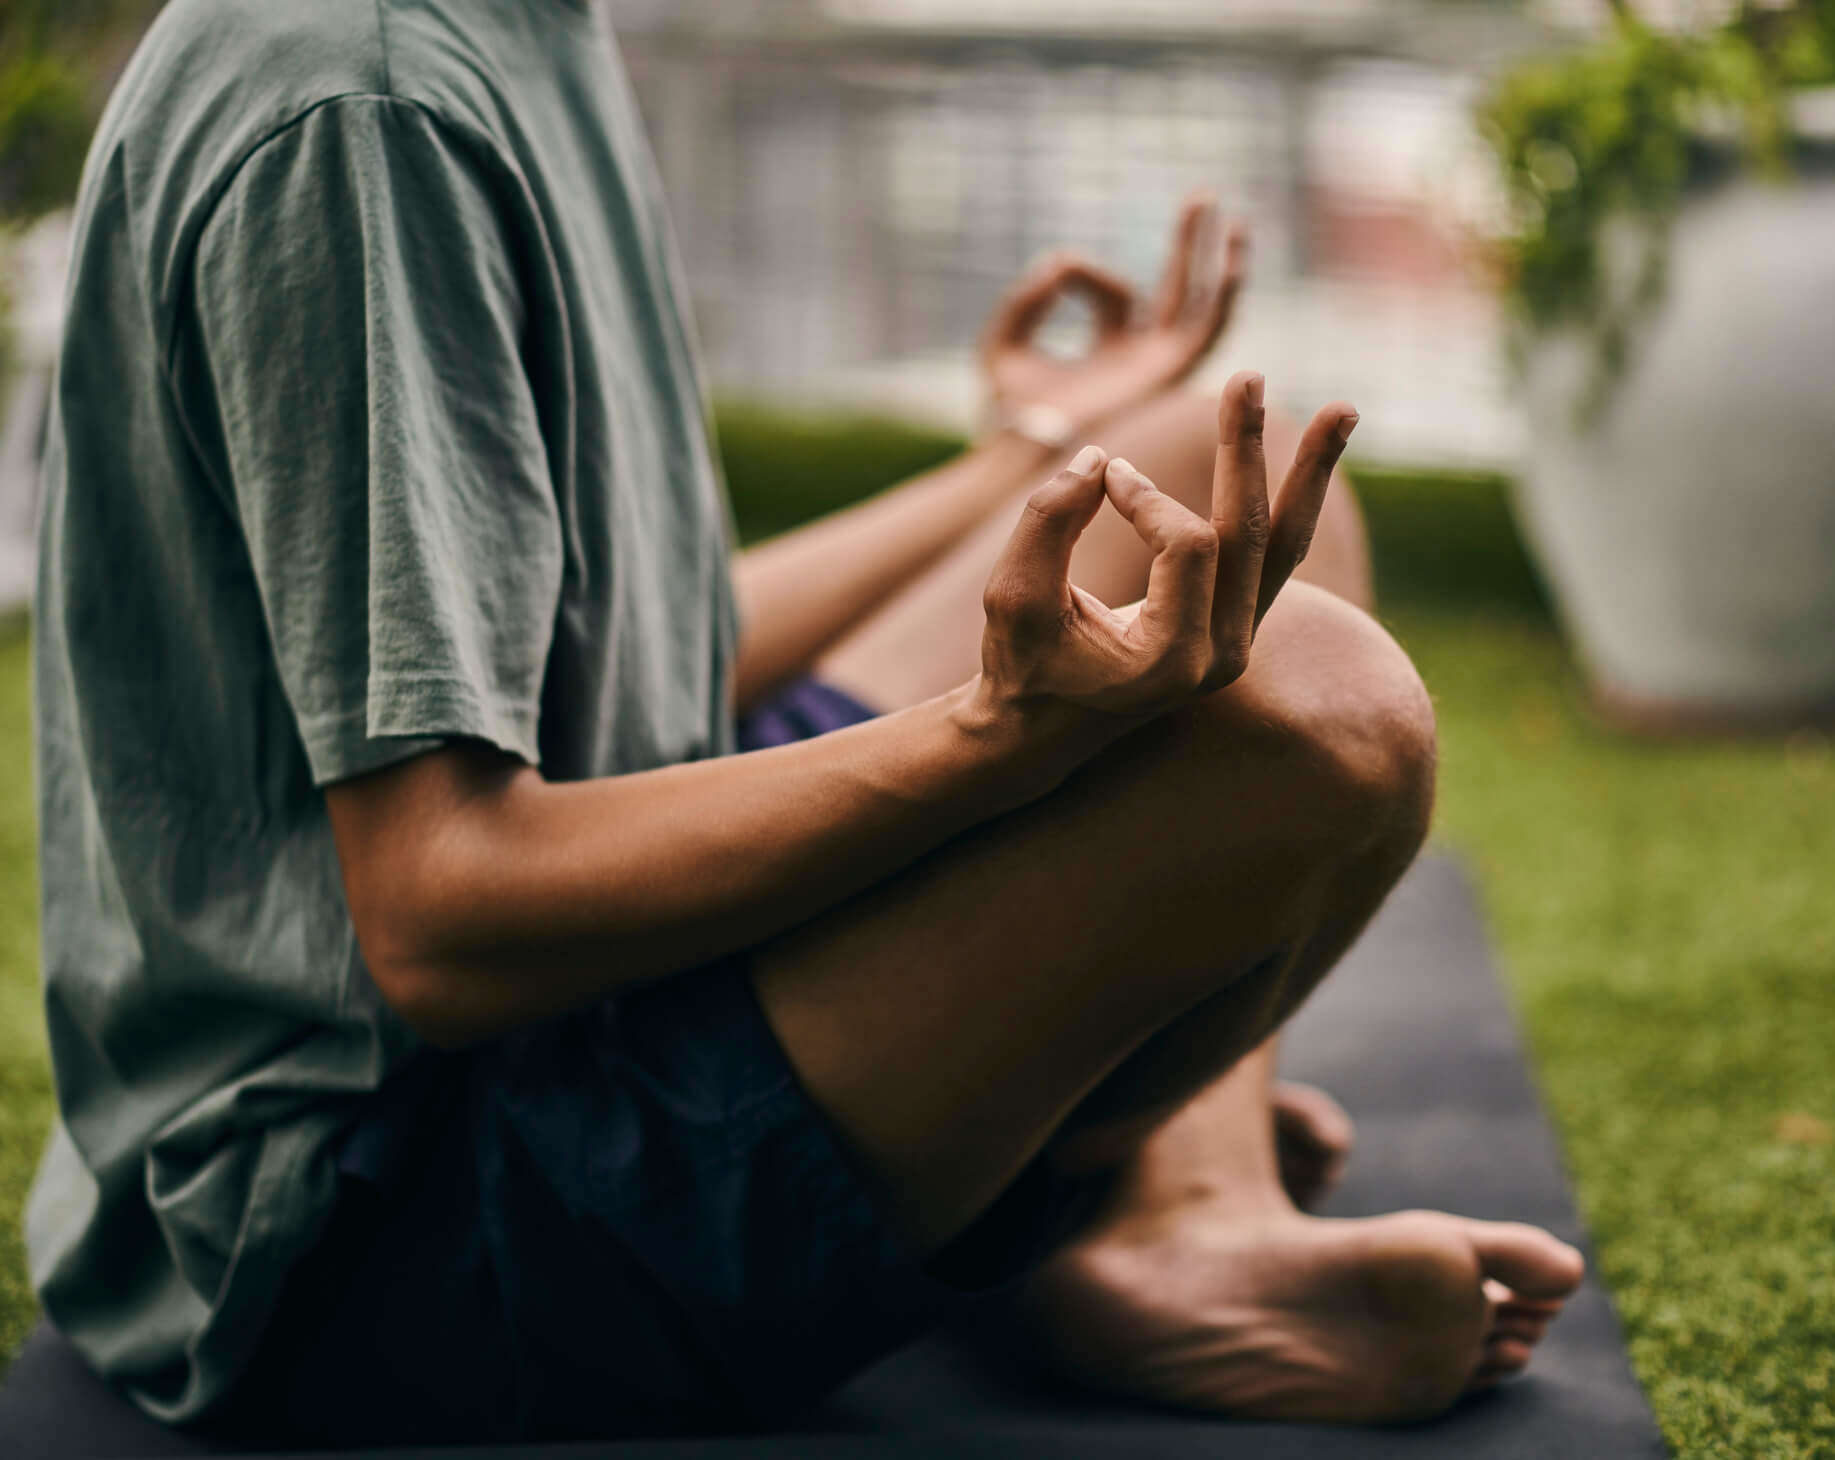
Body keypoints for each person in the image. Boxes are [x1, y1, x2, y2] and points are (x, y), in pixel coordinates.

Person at [27, 0, 1585, 1445]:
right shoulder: (366, 113)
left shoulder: (515, 30)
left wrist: (1021, 458)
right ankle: (1106, 1185)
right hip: (376, 1226)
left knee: (1197, 467)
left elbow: (636, 655)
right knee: (1322, 712)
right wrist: (994, 741)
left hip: (569, 988)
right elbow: (443, 921)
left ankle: (1179, 1213)